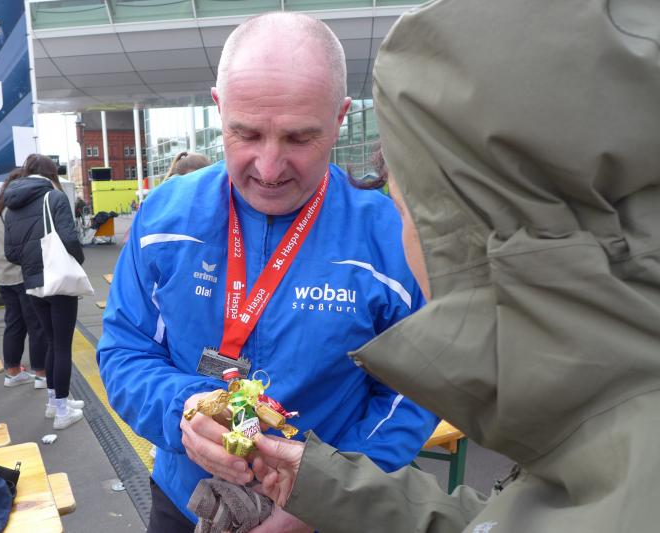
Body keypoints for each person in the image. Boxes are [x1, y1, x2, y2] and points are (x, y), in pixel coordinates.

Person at [239, 1, 660, 532]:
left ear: (468, 231)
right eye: (246, 133)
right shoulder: (616, 430)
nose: (270, 166)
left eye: (403, 207)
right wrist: (325, 486)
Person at [98, 12, 438, 533]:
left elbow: (416, 391)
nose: (270, 167)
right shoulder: (164, 218)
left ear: (340, 118)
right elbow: (126, 350)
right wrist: (181, 409)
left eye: (300, 138)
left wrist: (330, 496)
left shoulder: (392, 237)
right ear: (219, 109)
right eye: (247, 133)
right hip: (187, 501)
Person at [3, 154, 85, 430]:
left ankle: (54, 402)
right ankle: (62, 411)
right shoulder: (54, 197)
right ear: (51, 174)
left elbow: (10, 253)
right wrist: (77, 260)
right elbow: (69, 238)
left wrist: (32, 262)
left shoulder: (12, 205)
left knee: (51, 342)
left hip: (32, 282)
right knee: (62, 346)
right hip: (58, 279)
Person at [0, 168, 48, 389]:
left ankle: (12, 372)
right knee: (36, 326)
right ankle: (41, 374)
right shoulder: (14, 211)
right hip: (22, 275)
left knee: (13, 324)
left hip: (3, 277)